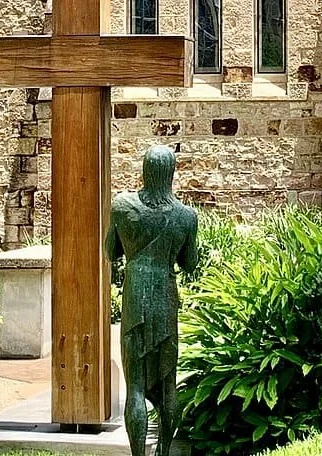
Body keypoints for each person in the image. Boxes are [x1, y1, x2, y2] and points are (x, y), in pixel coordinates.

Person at [105, 145, 199, 456]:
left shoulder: (123, 207)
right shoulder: (186, 216)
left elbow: (111, 252)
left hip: (135, 295)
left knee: (135, 385)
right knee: (168, 383)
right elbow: (190, 263)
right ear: (171, 173)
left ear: (145, 171)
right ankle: (163, 451)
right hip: (165, 297)